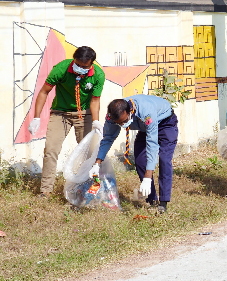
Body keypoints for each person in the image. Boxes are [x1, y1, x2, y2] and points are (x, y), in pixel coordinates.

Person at [28, 46, 105, 196]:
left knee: (89, 152)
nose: (80, 69)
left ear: (91, 64)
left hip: (84, 114)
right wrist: (36, 117)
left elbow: (95, 100)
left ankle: (87, 189)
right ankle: (46, 190)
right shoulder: (61, 69)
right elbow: (44, 91)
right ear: (74, 59)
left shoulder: (98, 75)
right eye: (78, 65)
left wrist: (96, 121)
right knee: (51, 150)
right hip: (60, 113)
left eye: (84, 66)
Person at [95, 95, 178, 213]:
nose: (122, 125)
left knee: (164, 159)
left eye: (124, 121)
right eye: (119, 123)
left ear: (130, 111)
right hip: (145, 128)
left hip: (165, 123)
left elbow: (152, 144)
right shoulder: (111, 117)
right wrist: (97, 163)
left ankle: (163, 202)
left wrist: (148, 176)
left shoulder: (146, 112)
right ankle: (152, 200)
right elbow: (108, 138)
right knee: (140, 160)